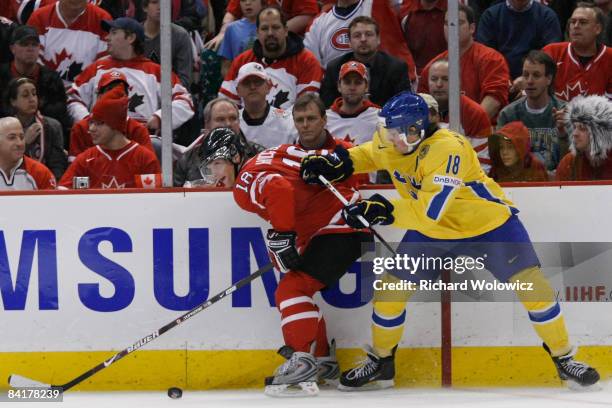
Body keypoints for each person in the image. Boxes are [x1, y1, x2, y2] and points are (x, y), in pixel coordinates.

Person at [300, 91, 600, 391]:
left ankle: (563, 358)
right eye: (387, 131)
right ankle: (382, 363)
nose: (388, 138)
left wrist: (382, 210)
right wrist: (338, 163)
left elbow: (431, 211)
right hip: (433, 230)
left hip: (488, 225)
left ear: (415, 130)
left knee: (534, 288)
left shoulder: (447, 149)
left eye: (395, 133)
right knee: (390, 292)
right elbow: (372, 153)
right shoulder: (392, 134)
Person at [232, 93, 373, 397]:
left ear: (324, 119)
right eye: (300, 120)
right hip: (316, 236)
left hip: (342, 231)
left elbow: (362, 185)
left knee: (290, 290)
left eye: (311, 118)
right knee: (296, 290)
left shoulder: (346, 151)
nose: (306, 125)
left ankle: (303, 360)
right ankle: (321, 359)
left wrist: (336, 171)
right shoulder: (287, 157)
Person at [67, 17, 194, 136]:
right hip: (100, 139)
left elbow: (185, 101)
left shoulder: (155, 72)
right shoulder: (96, 68)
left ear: (131, 38)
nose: (107, 37)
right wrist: (86, 120)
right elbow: (73, 97)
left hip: (142, 140)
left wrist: (160, 118)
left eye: (114, 33)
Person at [219, 6, 322, 110]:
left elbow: (307, 110)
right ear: (257, 33)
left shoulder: (307, 61)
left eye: (276, 27)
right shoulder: (242, 61)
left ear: (286, 30)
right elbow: (226, 106)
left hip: (290, 125)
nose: (270, 33)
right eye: (264, 28)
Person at [418, 4, 510, 120]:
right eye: (447, 24)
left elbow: (494, 101)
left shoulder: (491, 59)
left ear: (472, 28)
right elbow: (422, 105)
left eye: (459, 23)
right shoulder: (433, 66)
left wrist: (468, 128)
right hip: (444, 133)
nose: (452, 28)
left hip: (481, 132)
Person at [59, 86, 160, 189]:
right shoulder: (85, 160)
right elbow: (63, 192)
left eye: (100, 123)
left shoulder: (144, 159)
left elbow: (154, 200)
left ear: (115, 125)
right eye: (91, 122)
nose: (91, 128)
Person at [304, 0, 416, 82]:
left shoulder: (377, 4)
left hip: (387, 84)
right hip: (338, 92)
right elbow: (311, 67)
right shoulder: (318, 23)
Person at [498, 51, 568, 173]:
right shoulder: (508, 115)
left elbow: (573, 163)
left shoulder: (566, 112)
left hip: (558, 185)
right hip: (520, 184)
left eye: (536, 75)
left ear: (549, 79)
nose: (529, 81)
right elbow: (501, 162)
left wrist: (563, 135)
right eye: (525, 75)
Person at [320, 16, 411, 108]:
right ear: (349, 42)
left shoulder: (396, 67)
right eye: (357, 35)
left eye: (369, 34)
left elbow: (403, 105)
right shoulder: (335, 67)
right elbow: (326, 106)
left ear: (378, 39)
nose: (363, 39)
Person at [0, 24, 71, 139]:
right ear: (12, 49)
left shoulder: (52, 78)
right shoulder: (2, 76)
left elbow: (60, 114)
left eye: (34, 45)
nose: (30, 49)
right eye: (24, 44)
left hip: (45, 136)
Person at [173, 97, 263, 186]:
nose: (228, 124)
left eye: (233, 118)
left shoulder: (259, 155)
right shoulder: (187, 160)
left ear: (239, 122)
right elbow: (175, 196)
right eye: (220, 119)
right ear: (207, 124)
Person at [68, 70, 154, 161]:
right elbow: (76, 172)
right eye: (110, 90)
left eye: (121, 92)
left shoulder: (138, 130)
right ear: (99, 96)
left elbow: (148, 171)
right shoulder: (81, 128)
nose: (115, 95)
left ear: (127, 99)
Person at [427, 58, 492, 172]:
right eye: (434, 79)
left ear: (458, 82)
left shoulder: (475, 114)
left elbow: (482, 164)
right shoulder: (417, 111)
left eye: (446, 79)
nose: (439, 84)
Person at [27, 0, 112, 86]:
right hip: (44, 91)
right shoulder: (39, 17)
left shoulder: (102, 20)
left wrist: (77, 90)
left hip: (86, 93)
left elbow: (104, 66)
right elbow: (31, 60)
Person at [542, 3, 612, 102]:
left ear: (598, 29)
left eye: (583, 22)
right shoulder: (551, 52)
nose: (576, 26)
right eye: (572, 22)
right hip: (553, 116)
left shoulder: (610, 57)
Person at [476, 0, 562, 79]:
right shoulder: (490, 15)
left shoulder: (547, 16)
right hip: (498, 78)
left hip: (536, 80)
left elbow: (551, 56)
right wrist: (503, 78)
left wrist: (527, 77)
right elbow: (485, 56)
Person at [5, 77, 68, 179]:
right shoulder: (4, 128)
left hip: (45, 181)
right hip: (13, 181)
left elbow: (57, 164)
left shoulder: (53, 126)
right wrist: (25, 143)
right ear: (13, 101)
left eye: (34, 94)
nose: (32, 99)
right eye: (25, 95)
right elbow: (5, 163)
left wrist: (52, 187)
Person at [235, 62, 297, 148]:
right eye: (246, 83)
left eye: (258, 82)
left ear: (268, 87)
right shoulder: (231, 122)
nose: (252, 87)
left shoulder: (288, 121)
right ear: (238, 91)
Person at [556, 95, 612, 180]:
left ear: (600, 133)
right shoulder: (569, 163)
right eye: (574, 127)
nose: (574, 133)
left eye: (582, 128)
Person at [142, 0, 194, 88]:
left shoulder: (180, 36)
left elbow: (184, 80)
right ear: (145, 7)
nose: (160, 7)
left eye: (164, 3)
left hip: (173, 95)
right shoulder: (134, 35)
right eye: (154, 2)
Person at [0, 116, 56, 190]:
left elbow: (52, 201)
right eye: (12, 138)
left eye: (22, 137)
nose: (19, 143)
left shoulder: (40, 172)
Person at [217, 0, 264, 77]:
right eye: (243, 0)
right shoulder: (232, 28)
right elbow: (225, 66)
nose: (247, 3)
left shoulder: (270, 27)